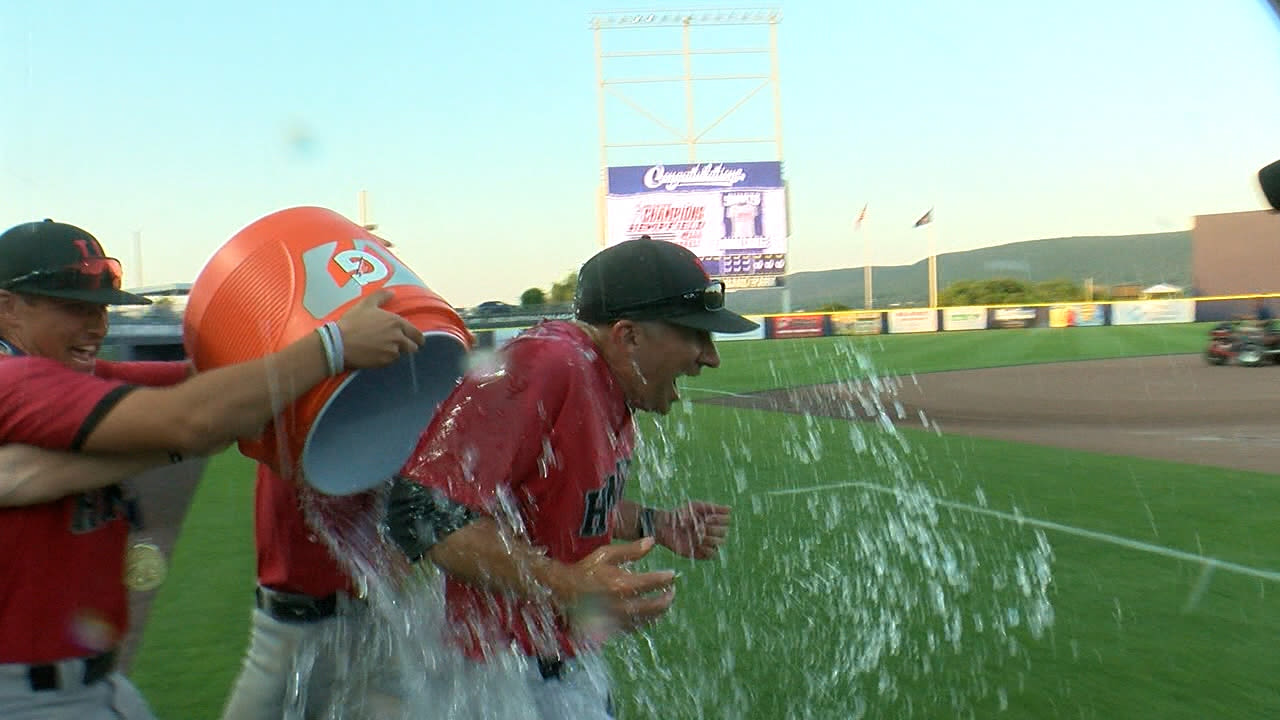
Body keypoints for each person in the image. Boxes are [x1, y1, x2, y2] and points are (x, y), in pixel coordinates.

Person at [0, 218, 423, 720]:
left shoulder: (57, 372)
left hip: (89, 683)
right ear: (6, 306)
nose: (97, 327)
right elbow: (194, 418)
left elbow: (216, 382)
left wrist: (329, 289)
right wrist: (330, 345)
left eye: (101, 309)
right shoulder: (16, 379)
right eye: (73, 307)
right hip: (29, 696)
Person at [383, 237, 756, 718]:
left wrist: (655, 524)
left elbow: (550, 503)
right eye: (695, 335)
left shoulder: (607, 380)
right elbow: (420, 512)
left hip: (554, 663)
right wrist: (568, 586)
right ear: (629, 336)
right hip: (498, 678)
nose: (710, 357)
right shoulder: (551, 363)